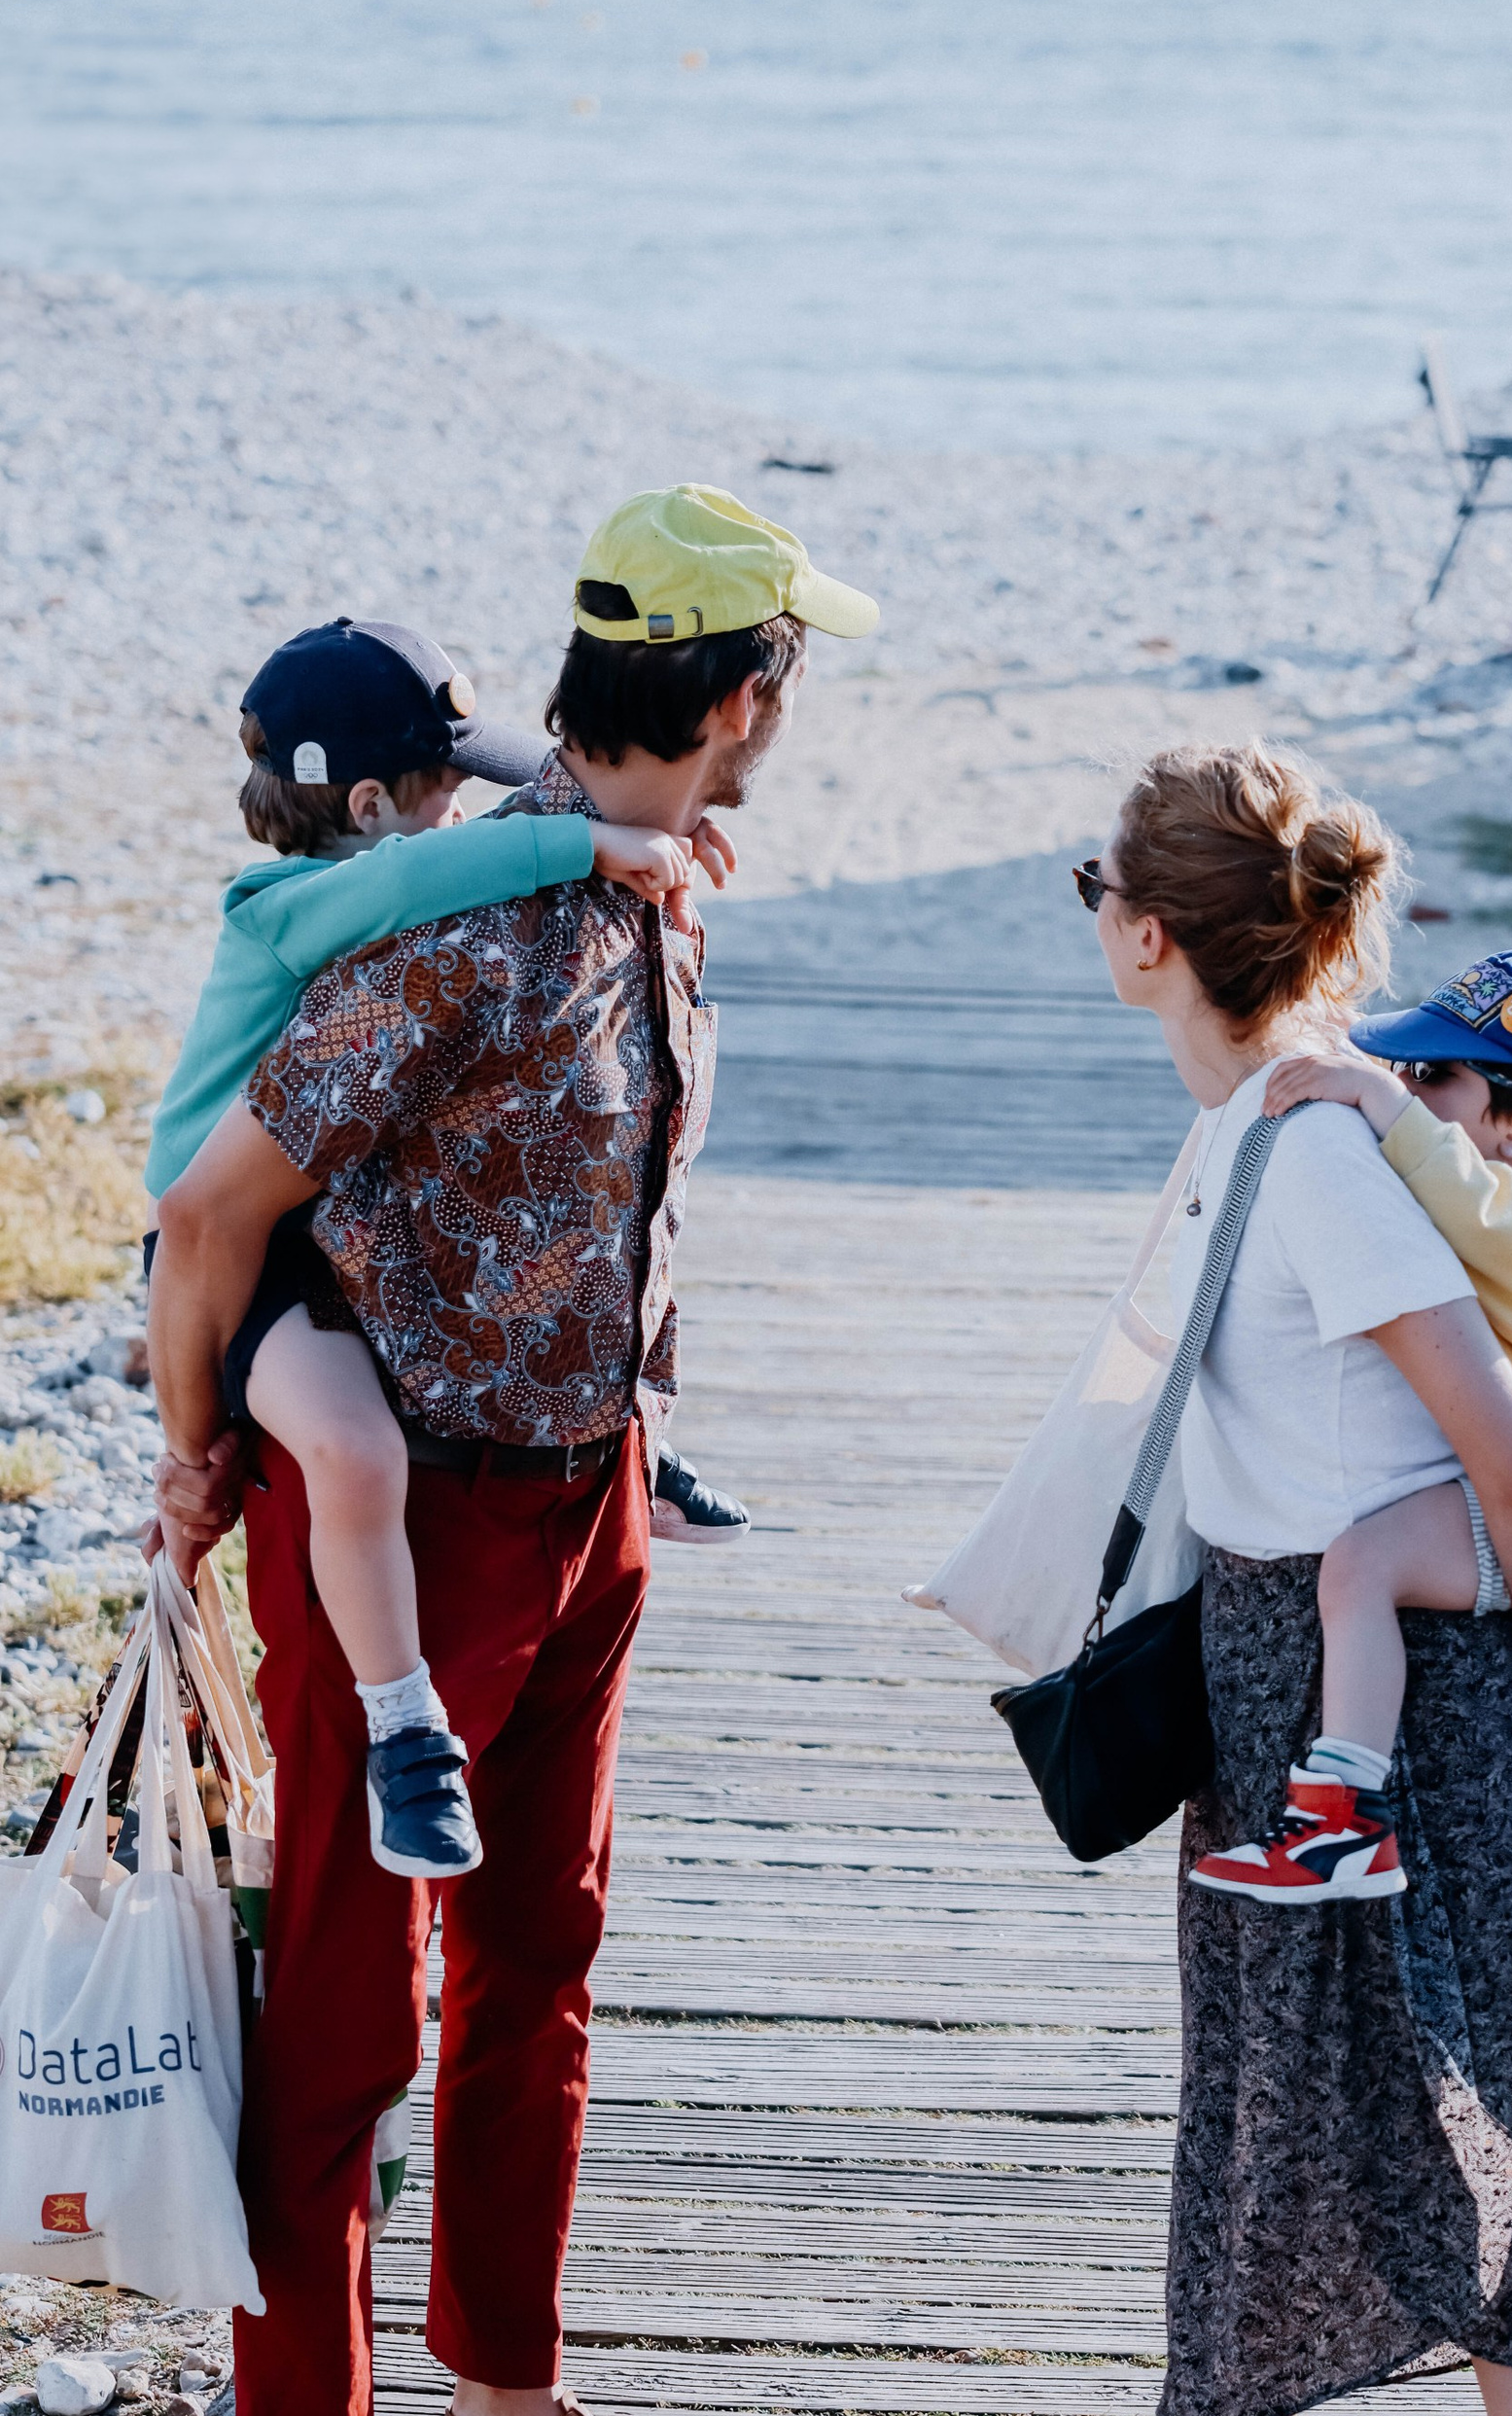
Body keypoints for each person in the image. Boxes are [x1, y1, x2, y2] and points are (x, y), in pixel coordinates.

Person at [148, 485, 877, 2416]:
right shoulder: (462, 920)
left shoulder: (665, 876)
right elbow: (214, 1208)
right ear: (747, 688)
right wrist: (197, 1453)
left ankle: (506, 2377)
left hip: (595, 1494)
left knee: (537, 1969)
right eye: (788, 677)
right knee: (335, 2022)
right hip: (399, 1515)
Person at [1082, 740, 1512, 2416]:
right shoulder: (1262, 1126)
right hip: (1286, 1690)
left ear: (1152, 936)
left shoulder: (1315, 1159)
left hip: (1409, 1720)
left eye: (1098, 888)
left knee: (1473, 2188)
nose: (1096, 917)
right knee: (1283, 2150)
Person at [143, 615, 749, 1877]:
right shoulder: (286, 907)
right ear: (369, 803)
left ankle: (644, 1431)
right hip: (238, 1252)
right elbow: (422, 882)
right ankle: (404, 1722)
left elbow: (449, 867)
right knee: (357, 1448)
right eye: (438, 797)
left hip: (319, 1225)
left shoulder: (377, 870)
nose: (458, 827)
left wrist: (659, 838)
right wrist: (591, 839)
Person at [1190, 947, 1512, 1988]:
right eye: (1406, 1073)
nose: (1407, 1091)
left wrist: (1375, 1103)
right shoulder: (1505, 1201)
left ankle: (1336, 1820)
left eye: (1434, 1081)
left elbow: (1474, 1209)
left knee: (1363, 1568)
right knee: (1477, 1654)